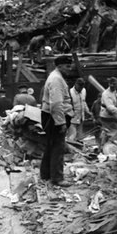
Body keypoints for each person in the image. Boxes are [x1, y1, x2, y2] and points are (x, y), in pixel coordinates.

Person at [40, 56, 75, 186]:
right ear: (59, 66)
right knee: (58, 147)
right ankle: (57, 178)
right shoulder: (56, 80)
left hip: (50, 115)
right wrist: (61, 123)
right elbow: (56, 104)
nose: (69, 69)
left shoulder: (56, 77)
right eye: (67, 66)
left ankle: (45, 174)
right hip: (54, 117)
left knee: (51, 145)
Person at [99, 77, 117, 148]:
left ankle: (102, 147)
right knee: (116, 131)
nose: (113, 85)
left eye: (114, 84)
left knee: (106, 132)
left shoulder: (114, 92)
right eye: (111, 84)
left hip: (109, 115)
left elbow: (116, 101)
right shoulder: (106, 94)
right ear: (109, 84)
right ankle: (109, 146)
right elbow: (109, 107)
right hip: (106, 116)